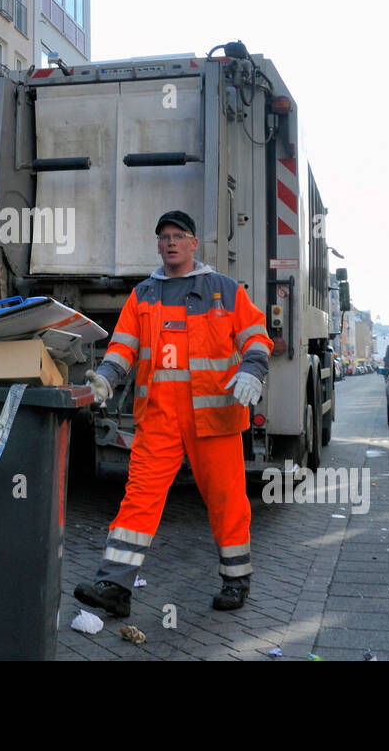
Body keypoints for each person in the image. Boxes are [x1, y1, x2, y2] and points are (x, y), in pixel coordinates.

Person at [73, 210, 271, 618]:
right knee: (139, 499)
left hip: (214, 419)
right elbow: (123, 347)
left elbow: (256, 336)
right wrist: (107, 378)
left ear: (194, 244)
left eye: (179, 235)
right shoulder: (143, 294)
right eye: (163, 236)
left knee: (226, 499)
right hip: (160, 418)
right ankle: (114, 585)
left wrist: (253, 369)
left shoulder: (224, 290)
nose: (170, 242)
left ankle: (236, 580)